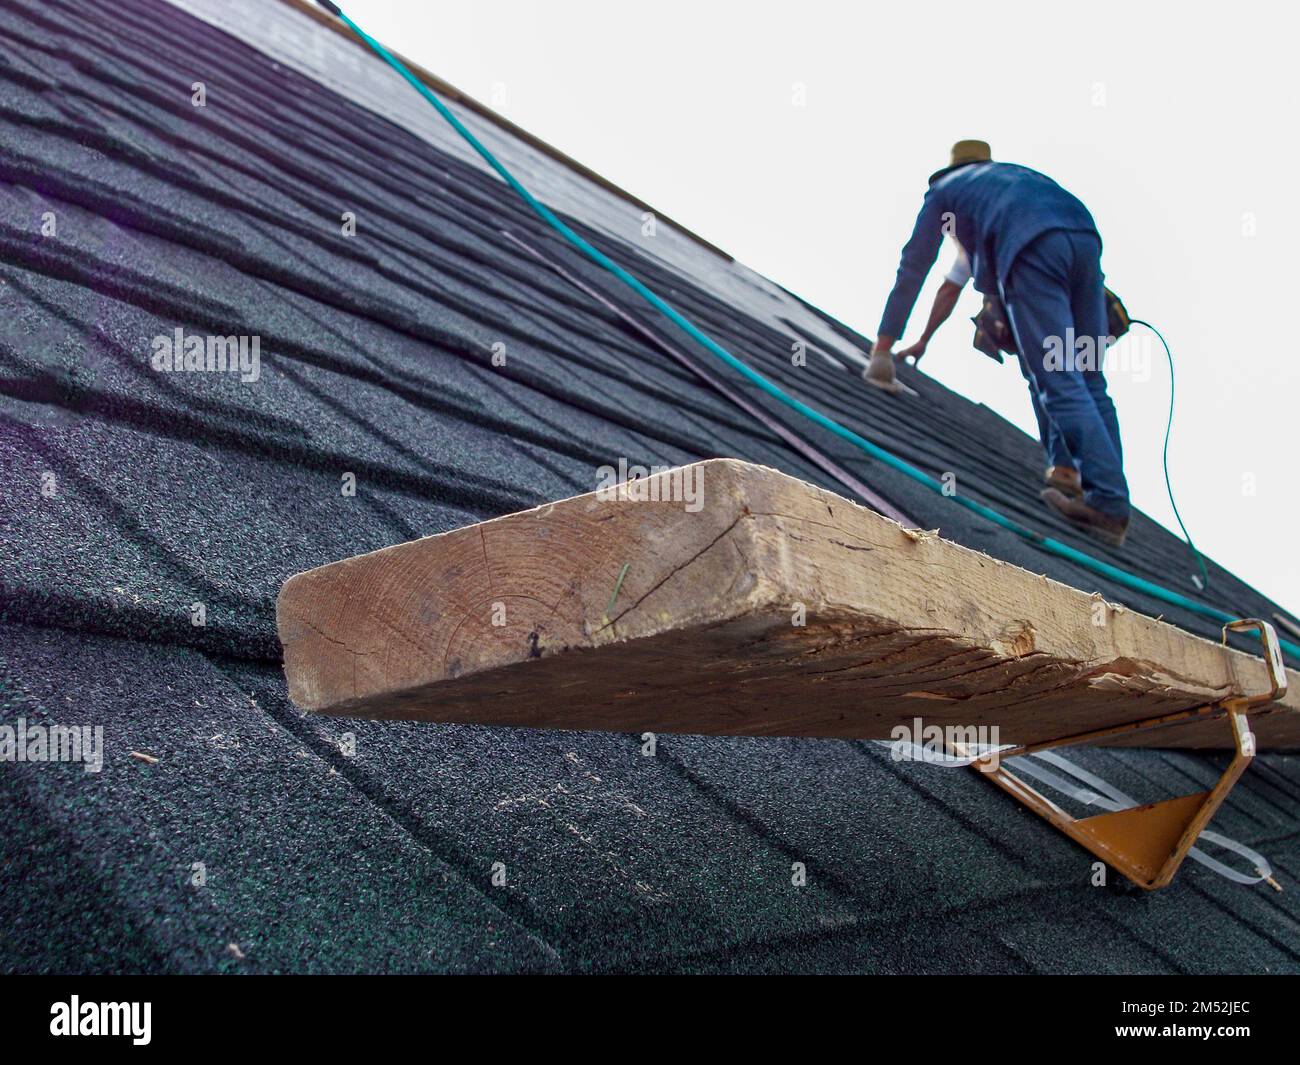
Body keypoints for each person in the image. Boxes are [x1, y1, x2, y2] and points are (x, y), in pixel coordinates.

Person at [867, 140, 1130, 546]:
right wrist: (922, 340)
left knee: (1057, 377)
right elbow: (953, 288)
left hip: (1034, 247)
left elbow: (915, 264)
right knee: (1088, 376)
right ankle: (1077, 475)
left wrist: (883, 348)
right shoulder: (1007, 181)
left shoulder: (945, 193)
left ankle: (1107, 505)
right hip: (1084, 240)